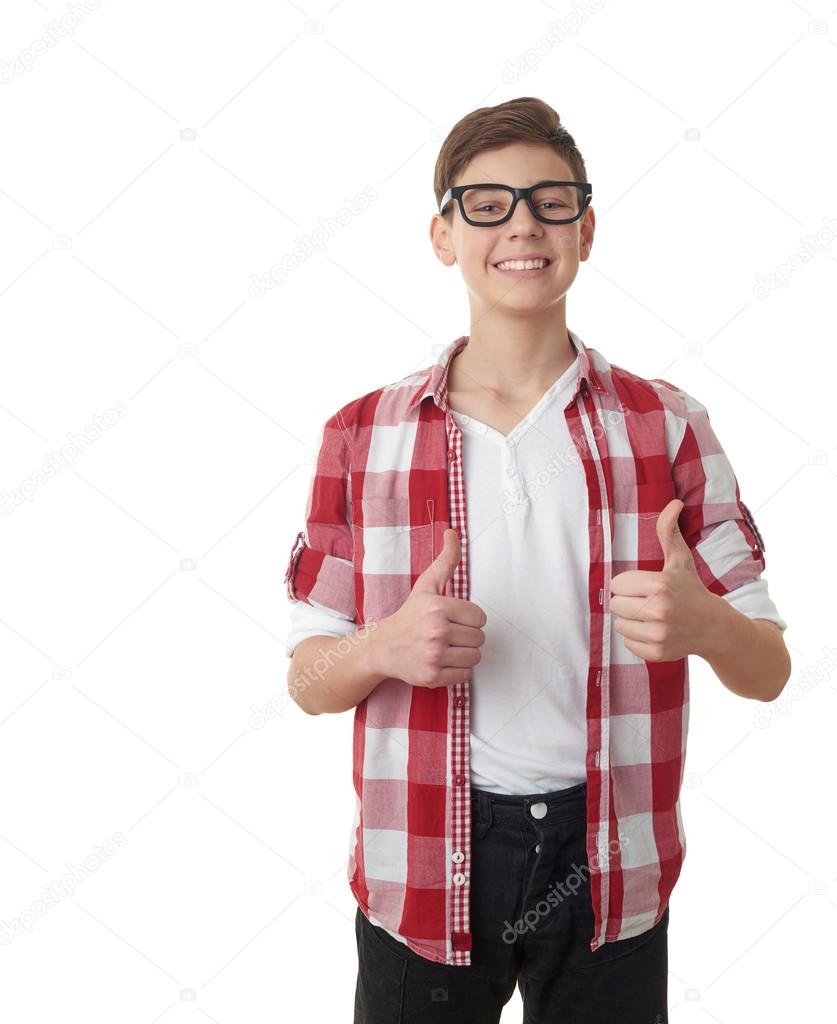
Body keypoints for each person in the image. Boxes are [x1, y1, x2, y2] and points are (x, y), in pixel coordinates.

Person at [283, 96, 791, 1024]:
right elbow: (309, 682)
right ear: (443, 235)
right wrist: (381, 648)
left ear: (586, 230)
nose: (522, 223)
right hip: (424, 858)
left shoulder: (669, 423)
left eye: (550, 202)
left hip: (611, 859)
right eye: (488, 203)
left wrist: (708, 623)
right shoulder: (361, 434)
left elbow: (768, 669)